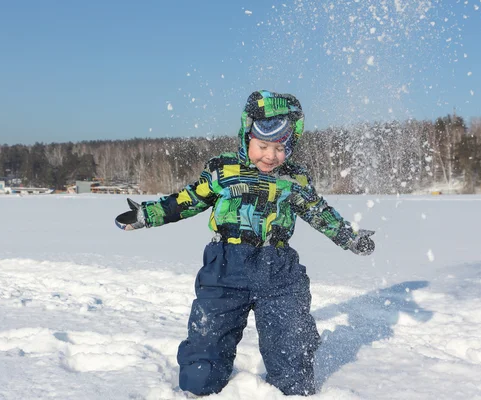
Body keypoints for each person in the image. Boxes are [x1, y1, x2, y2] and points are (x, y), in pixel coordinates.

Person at [115, 90, 375, 396]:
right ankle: (198, 390)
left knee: (291, 342)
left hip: (279, 271)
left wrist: (349, 237)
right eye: (263, 146)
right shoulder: (222, 171)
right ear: (246, 136)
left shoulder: (296, 180)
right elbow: (186, 200)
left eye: (280, 149)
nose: (270, 156)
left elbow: (320, 213)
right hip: (225, 267)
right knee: (207, 340)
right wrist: (148, 214)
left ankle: (292, 391)